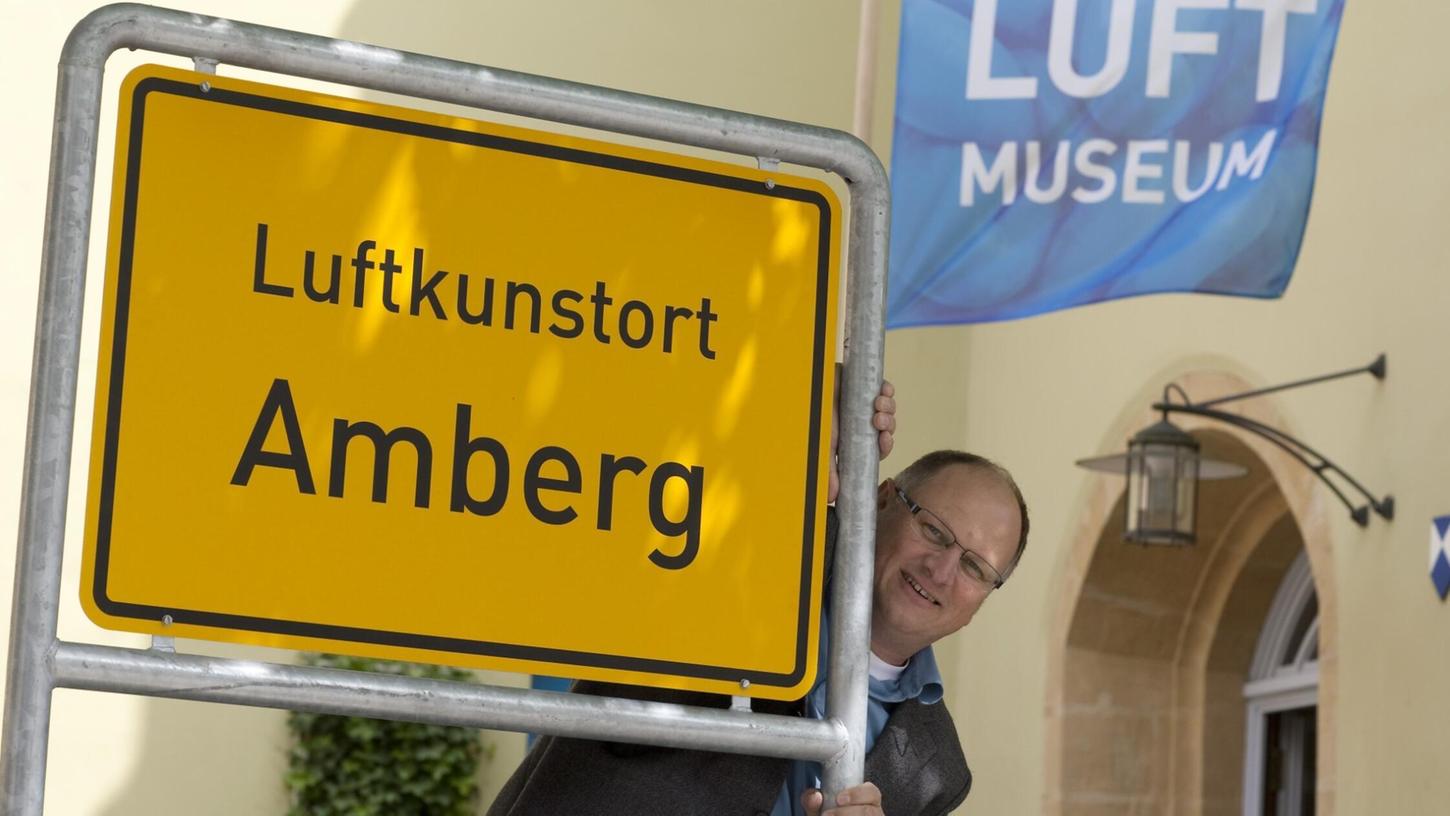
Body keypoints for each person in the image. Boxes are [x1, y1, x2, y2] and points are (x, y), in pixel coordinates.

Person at [488, 384, 1029, 816]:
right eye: (934, 531)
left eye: (976, 568)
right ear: (882, 499)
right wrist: (816, 409)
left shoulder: (941, 769)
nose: (941, 570)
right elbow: (700, 456)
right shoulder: (762, 557)